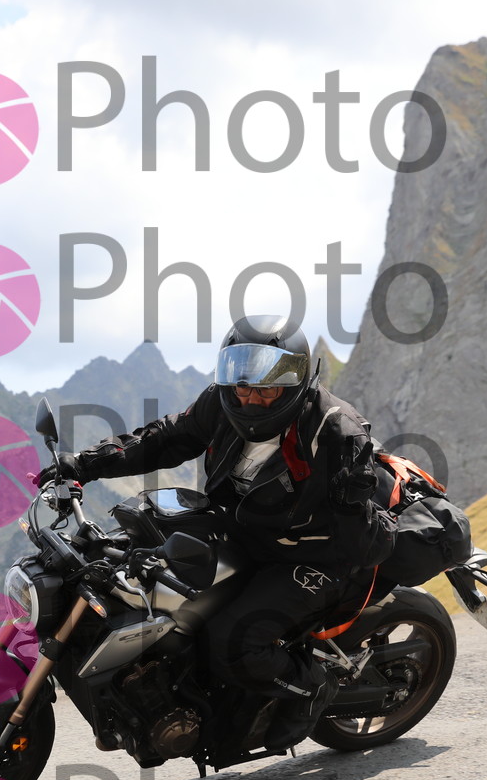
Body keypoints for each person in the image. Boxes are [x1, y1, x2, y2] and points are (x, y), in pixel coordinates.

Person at [39, 315, 394, 750]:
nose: (252, 399)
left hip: (313, 554)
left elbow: (358, 540)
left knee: (234, 642)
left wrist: (347, 509)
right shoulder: (222, 402)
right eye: (243, 386)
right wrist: (84, 464)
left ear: (294, 384)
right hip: (242, 528)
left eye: (266, 390)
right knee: (138, 566)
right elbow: (165, 438)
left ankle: (312, 686)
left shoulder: (336, 434)